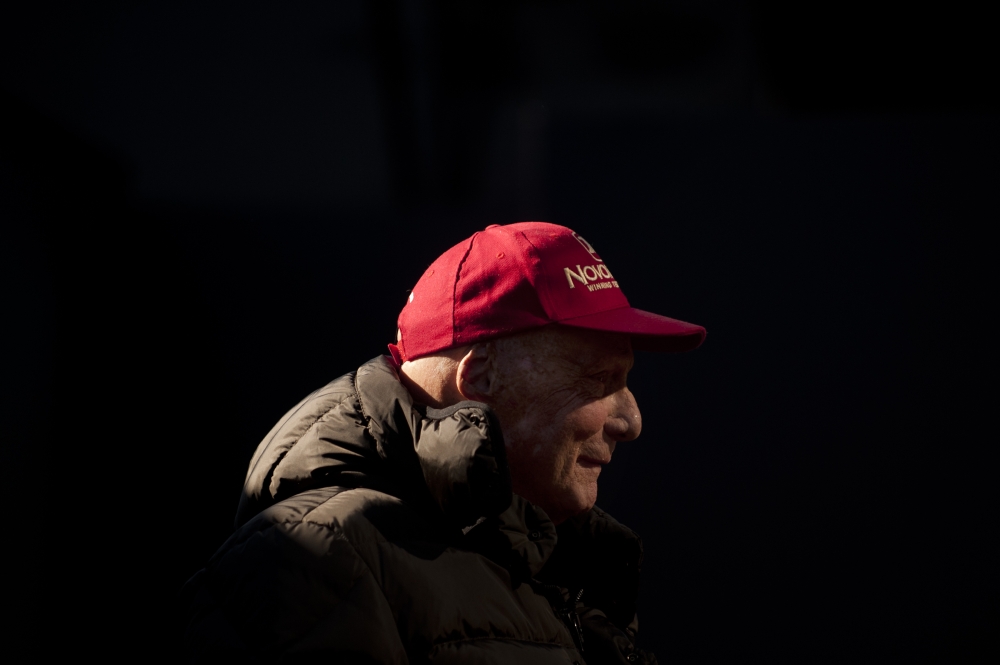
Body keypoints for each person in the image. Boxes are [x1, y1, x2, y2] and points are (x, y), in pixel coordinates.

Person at [182, 221, 706, 663]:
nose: (631, 420)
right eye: (597, 380)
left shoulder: (552, 557)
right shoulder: (315, 558)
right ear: (479, 379)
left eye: (626, 380)